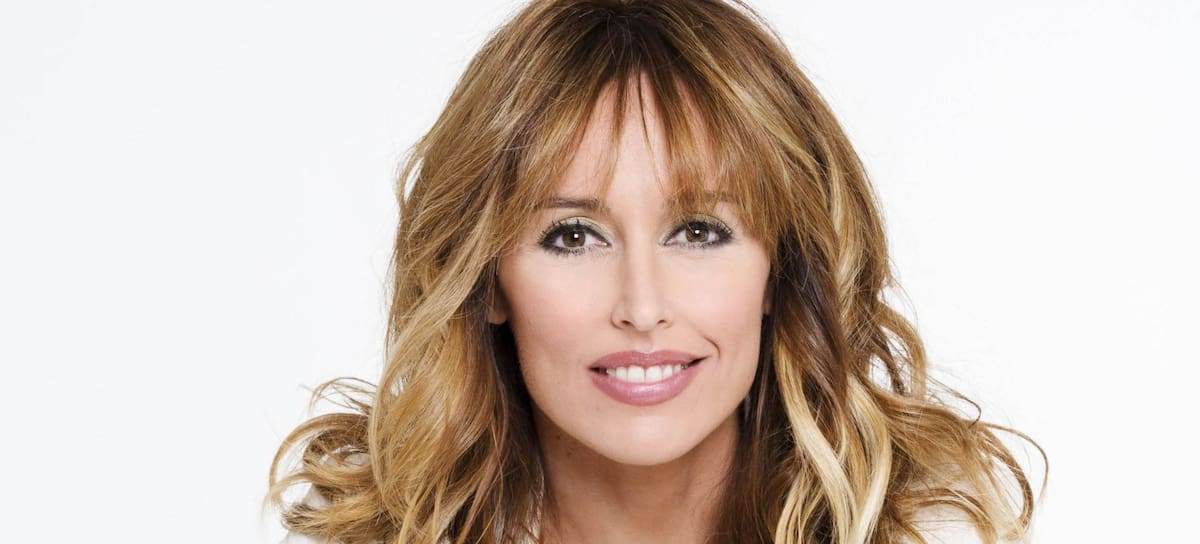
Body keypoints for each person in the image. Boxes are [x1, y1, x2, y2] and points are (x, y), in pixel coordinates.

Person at [266, 1, 1047, 542]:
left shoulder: (932, 534)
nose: (642, 308)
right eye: (573, 236)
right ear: (487, 277)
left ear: (781, 266)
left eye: (699, 231)